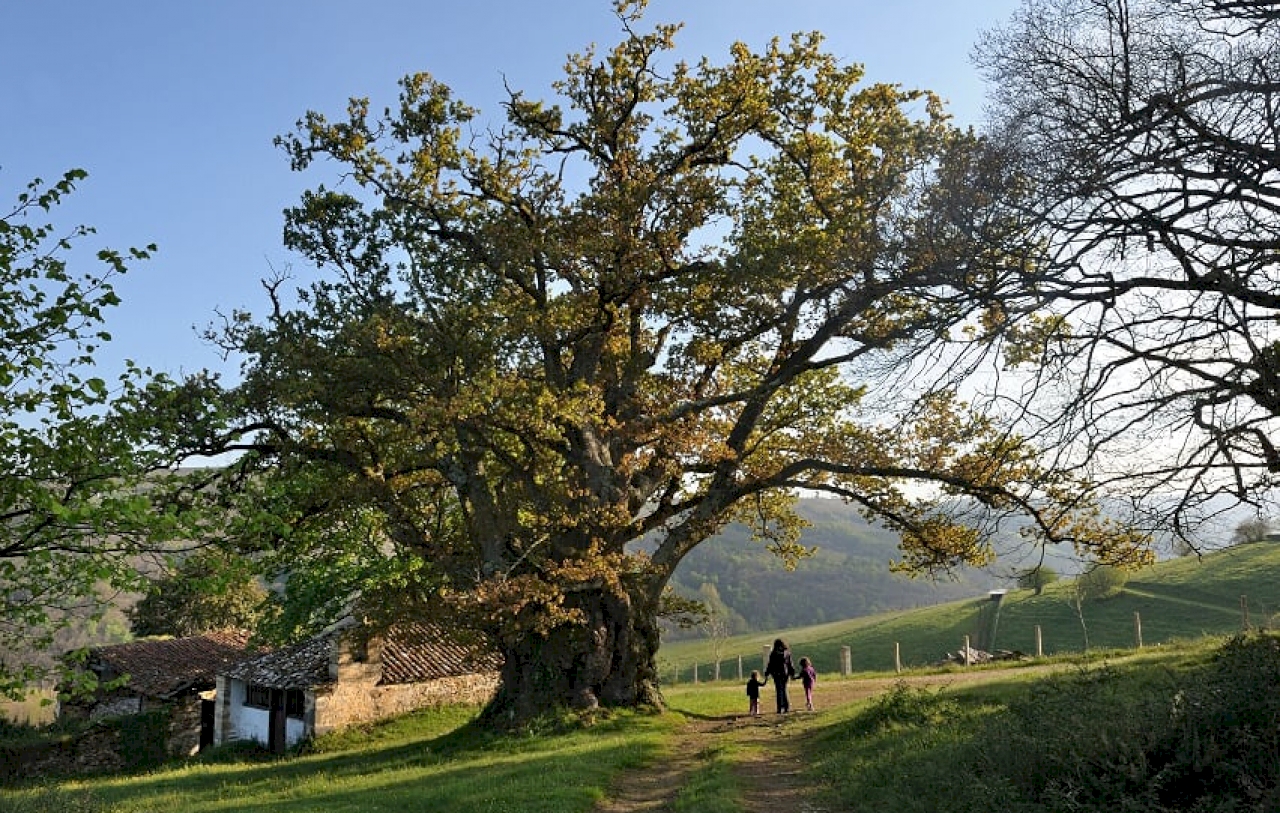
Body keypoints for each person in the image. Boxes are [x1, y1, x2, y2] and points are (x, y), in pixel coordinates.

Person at [764, 638, 796, 713]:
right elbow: (790, 664)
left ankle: (779, 708)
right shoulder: (787, 653)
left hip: (776, 674)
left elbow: (770, 665)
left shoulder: (773, 653)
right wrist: (792, 673)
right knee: (784, 689)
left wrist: (767, 672)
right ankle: (786, 707)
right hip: (785, 674)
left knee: (779, 690)